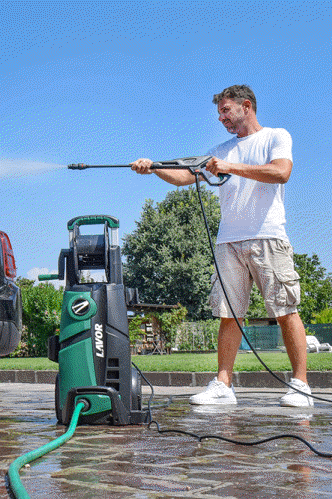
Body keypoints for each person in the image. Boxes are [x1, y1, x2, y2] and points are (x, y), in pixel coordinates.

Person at [130, 84, 312, 407]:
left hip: (268, 236)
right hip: (228, 241)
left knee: (285, 310)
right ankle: (223, 386)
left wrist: (229, 167)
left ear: (246, 106)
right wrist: (154, 167)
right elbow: (185, 176)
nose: (221, 118)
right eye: (219, 113)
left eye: (226, 111)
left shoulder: (275, 137)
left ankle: (301, 386)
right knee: (229, 315)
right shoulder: (220, 150)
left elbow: (281, 172)